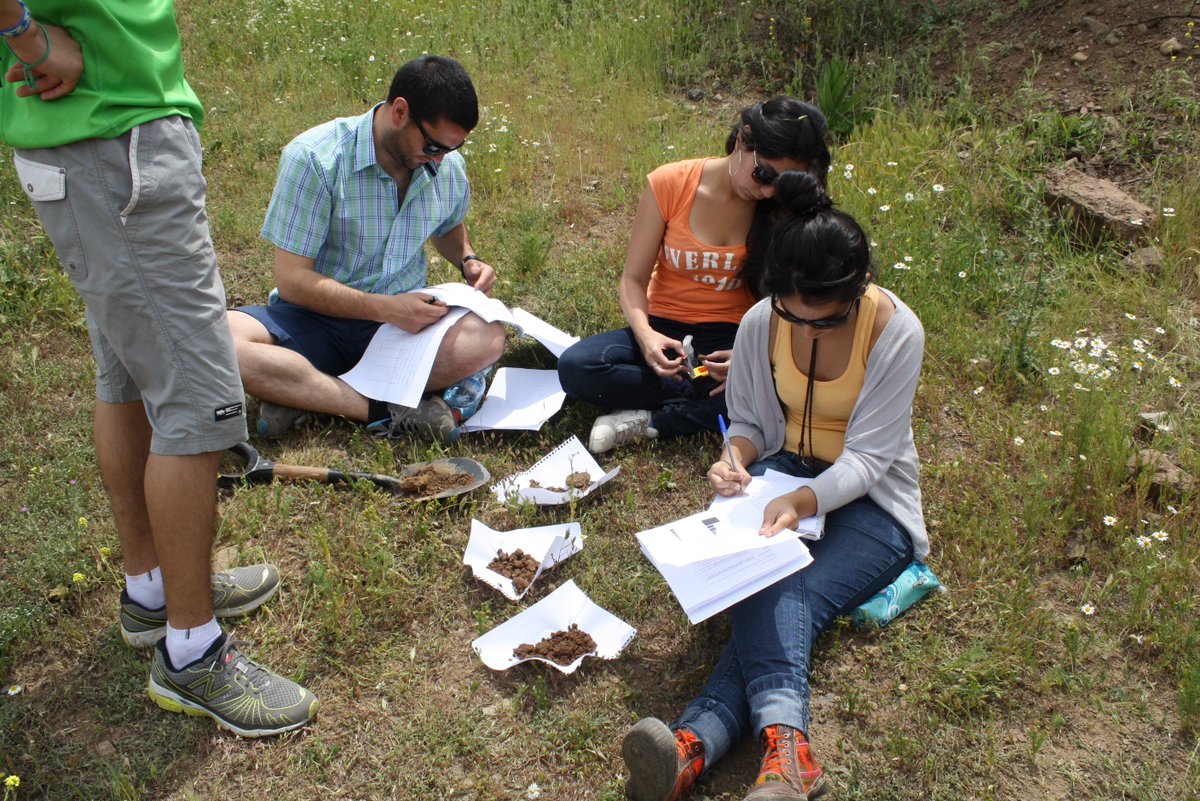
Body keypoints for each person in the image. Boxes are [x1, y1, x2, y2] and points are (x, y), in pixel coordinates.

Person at [1, 0, 316, 736]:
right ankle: (192, 650)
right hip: (115, 143)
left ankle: (154, 591)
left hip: (99, 142)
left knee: (130, 378)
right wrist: (26, 35)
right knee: (198, 403)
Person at [620, 171, 928, 800]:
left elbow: (869, 459)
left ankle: (717, 745)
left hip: (876, 505)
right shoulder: (764, 320)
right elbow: (755, 422)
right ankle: (762, 760)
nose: (806, 331)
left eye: (826, 320)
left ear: (859, 289)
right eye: (793, 315)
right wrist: (735, 456)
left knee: (787, 583)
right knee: (772, 576)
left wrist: (798, 500)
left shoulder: (898, 332)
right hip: (786, 477)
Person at [229, 55, 505, 443]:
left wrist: (467, 259)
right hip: (314, 318)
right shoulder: (315, 158)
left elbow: (449, 228)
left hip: (402, 327)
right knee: (220, 341)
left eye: (451, 149)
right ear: (400, 111)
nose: (440, 159)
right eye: (432, 146)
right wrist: (383, 308)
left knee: (489, 335)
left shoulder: (444, 164)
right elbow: (292, 282)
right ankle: (377, 409)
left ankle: (305, 391)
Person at [556, 98, 832, 454]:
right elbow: (633, 280)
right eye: (764, 174)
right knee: (577, 367)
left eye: (781, 184)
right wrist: (646, 337)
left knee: (789, 384)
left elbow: (797, 303)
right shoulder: (671, 182)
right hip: (664, 327)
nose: (766, 191)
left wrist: (755, 356)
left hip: (735, 337)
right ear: (743, 140)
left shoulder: (780, 208)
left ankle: (653, 422)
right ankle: (719, 401)